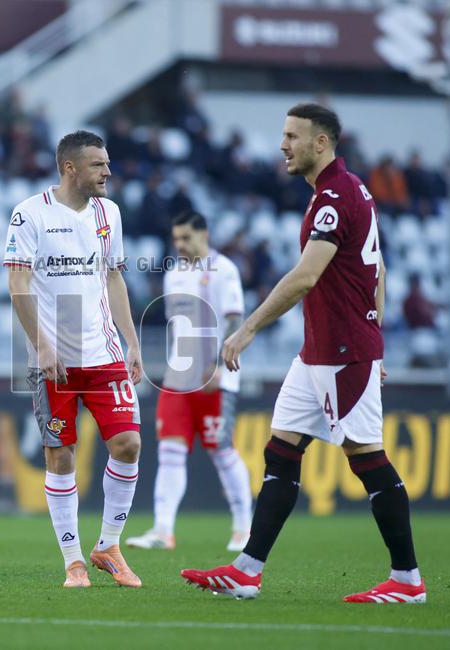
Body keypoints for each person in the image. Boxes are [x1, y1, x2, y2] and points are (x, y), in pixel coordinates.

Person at [180, 103, 425, 604]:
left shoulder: (335, 195)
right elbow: (377, 270)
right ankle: (248, 570)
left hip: (342, 351)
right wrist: (376, 333)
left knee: (366, 456)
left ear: (322, 142)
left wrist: (246, 329)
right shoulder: (345, 190)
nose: (283, 144)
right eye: (283, 134)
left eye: (293, 135)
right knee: (281, 450)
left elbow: (306, 276)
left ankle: (407, 580)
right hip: (318, 350)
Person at [5, 131, 144, 588]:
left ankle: (107, 545)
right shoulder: (30, 213)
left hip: (103, 354)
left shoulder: (110, 213)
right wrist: (41, 345)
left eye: (107, 163)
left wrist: (132, 341)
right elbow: (18, 285)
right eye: (99, 165)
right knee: (59, 454)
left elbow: (113, 278)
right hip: (54, 360)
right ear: (70, 168)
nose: (108, 172)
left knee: (128, 444)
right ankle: (73, 561)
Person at [126, 211, 252, 552]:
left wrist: (216, 367)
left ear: (204, 234)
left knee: (222, 451)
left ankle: (244, 528)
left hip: (214, 378)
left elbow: (234, 318)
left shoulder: (223, 270)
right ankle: (163, 530)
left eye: (186, 238)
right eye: (176, 239)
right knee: (169, 452)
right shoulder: (174, 274)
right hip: (178, 378)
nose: (180, 245)